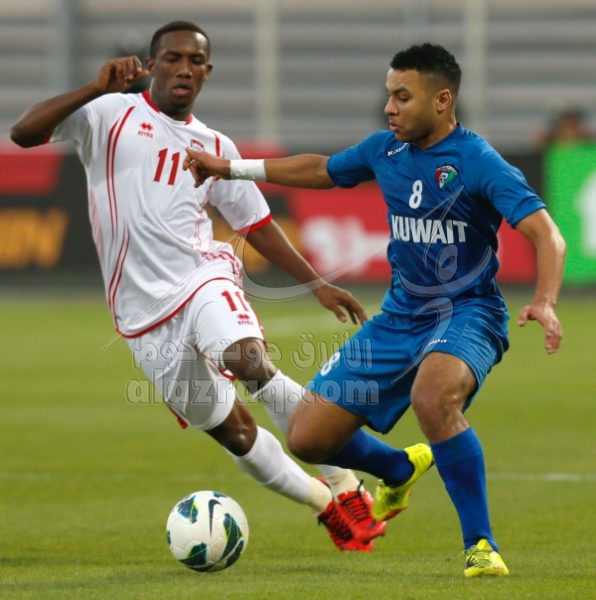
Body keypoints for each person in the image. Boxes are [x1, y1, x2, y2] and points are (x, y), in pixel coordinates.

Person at [183, 43, 566, 577]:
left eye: (402, 96)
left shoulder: (477, 161)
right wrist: (229, 167)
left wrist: (544, 300)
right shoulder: (384, 150)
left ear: (442, 100)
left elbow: (547, 235)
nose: (389, 107)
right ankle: (398, 468)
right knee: (308, 437)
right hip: (399, 318)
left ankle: (480, 544)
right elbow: (321, 169)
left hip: (467, 313)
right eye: (389, 95)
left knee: (432, 399)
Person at [10, 20, 389, 553]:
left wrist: (317, 285)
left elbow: (256, 223)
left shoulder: (214, 146)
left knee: (249, 360)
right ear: (152, 65)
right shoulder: (108, 113)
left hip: (201, 276)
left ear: (207, 72)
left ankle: (344, 481)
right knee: (235, 432)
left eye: (195, 61)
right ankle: (324, 504)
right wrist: (95, 86)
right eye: (172, 58)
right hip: (141, 314)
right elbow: (23, 134)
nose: (183, 69)